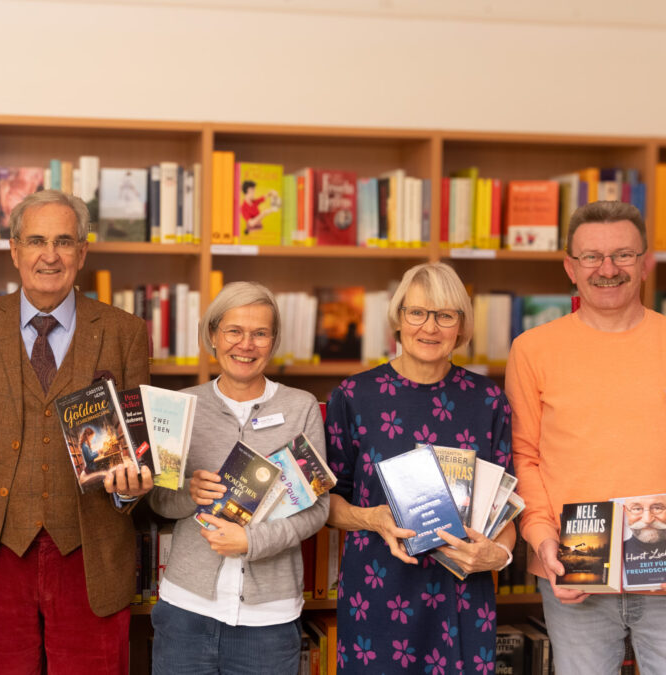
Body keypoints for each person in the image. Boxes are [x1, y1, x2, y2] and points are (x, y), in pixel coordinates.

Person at [0, 189, 152, 674]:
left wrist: (131, 490)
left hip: (91, 553)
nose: (49, 255)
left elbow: (139, 451)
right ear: (14, 250)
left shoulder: (124, 332)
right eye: (35, 240)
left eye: (63, 241)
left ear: (82, 252)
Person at [325, 262, 514, 673]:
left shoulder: (487, 401)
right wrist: (371, 517)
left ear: (461, 327)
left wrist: (499, 555)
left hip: (461, 593)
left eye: (446, 316)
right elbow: (325, 503)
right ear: (399, 318)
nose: (430, 328)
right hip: (377, 591)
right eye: (417, 313)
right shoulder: (354, 395)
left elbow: (506, 509)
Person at [507, 200, 666, 674]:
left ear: (645, 263)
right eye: (592, 257)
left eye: (623, 254)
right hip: (573, 571)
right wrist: (541, 539)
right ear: (570, 268)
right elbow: (524, 455)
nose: (608, 269)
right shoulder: (532, 349)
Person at [147, 281, 330, 675]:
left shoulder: (301, 409)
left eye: (260, 333)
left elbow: (317, 510)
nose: (245, 344)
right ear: (213, 335)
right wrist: (188, 494)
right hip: (185, 612)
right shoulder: (183, 406)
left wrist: (253, 541)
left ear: (273, 341)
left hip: (268, 619)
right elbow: (158, 501)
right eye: (233, 331)